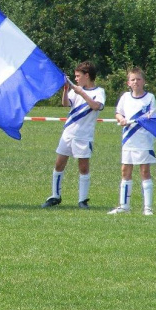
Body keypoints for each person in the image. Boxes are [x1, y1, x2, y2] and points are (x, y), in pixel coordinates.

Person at [42, 61, 106, 209]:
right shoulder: (76, 90)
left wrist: (81, 93)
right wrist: (66, 90)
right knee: (59, 164)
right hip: (69, 132)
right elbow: (66, 104)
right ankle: (55, 195)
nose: (76, 79)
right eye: (75, 76)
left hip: (84, 135)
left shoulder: (98, 91)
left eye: (78, 76)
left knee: (83, 167)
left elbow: (96, 106)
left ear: (87, 75)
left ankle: (82, 199)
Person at [108, 67, 156, 215]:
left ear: (144, 81)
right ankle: (124, 206)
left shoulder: (150, 98)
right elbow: (118, 113)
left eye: (138, 79)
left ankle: (147, 208)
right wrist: (121, 119)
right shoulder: (125, 97)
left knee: (144, 171)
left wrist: (140, 120)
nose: (136, 82)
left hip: (143, 140)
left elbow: (151, 116)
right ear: (128, 82)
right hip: (128, 140)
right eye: (133, 79)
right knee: (125, 170)